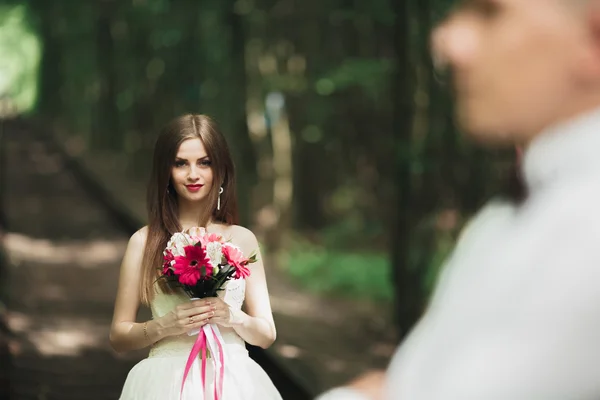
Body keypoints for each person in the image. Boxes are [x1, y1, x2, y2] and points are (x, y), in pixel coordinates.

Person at [318, 0, 600, 399]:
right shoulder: (505, 219)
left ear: (594, 38)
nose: (447, 42)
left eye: (490, 13)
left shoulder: (587, 230)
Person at [109, 114, 282, 400]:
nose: (193, 174)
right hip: (165, 385)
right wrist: (164, 325)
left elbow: (266, 334)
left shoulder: (243, 239)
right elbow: (118, 336)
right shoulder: (143, 241)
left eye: (205, 162)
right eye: (181, 163)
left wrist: (233, 317)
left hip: (235, 382)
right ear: (166, 170)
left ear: (220, 168)